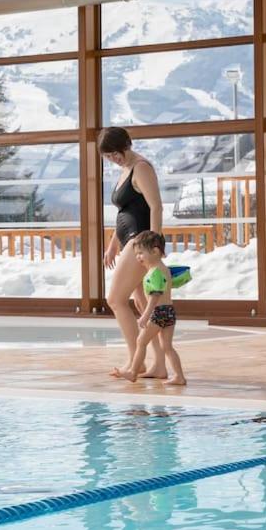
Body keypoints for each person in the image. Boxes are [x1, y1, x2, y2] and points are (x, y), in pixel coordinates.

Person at [100, 126, 168, 379]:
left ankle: (135, 362)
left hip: (141, 241)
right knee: (142, 305)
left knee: (116, 299)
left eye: (116, 153)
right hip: (128, 239)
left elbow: (156, 207)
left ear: (126, 144)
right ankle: (158, 365)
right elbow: (124, 213)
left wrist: (154, 246)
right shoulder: (125, 170)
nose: (113, 158)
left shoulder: (141, 167)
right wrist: (112, 245)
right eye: (108, 156)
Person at [113, 231, 187, 385]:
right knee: (167, 347)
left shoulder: (154, 272)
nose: (138, 257)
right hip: (169, 312)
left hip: (158, 312)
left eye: (141, 253)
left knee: (141, 341)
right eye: (136, 254)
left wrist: (146, 315)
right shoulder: (164, 268)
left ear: (155, 251)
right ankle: (179, 377)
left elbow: (154, 296)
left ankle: (133, 372)